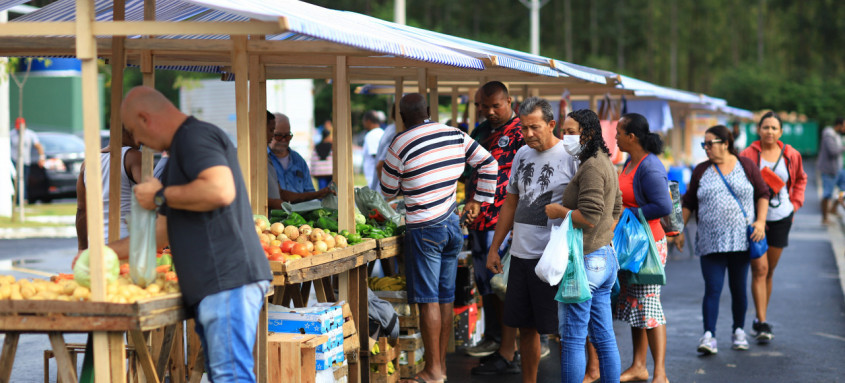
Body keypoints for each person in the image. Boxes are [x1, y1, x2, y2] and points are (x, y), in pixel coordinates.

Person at [88, 86, 272, 382]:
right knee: (225, 375)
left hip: (226, 281)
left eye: (134, 131)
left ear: (146, 118)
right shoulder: (180, 151)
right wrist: (104, 253)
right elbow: (161, 232)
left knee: (231, 376)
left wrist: (160, 195)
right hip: (217, 285)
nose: (136, 141)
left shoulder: (193, 138)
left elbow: (220, 190)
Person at [380, 93, 497, 383]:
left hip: (424, 229)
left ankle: (432, 371)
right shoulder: (455, 134)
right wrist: (477, 201)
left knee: (428, 300)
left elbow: (387, 191)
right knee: (444, 298)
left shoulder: (399, 142)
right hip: (452, 226)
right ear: (429, 111)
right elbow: (489, 164)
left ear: (401, 116)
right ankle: (440, 368)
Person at [483, 97, 578, 383]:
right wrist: (495, 248)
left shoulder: (572, 156)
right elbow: (510, 203)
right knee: (526, 327)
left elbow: (590, 207)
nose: (528, 134)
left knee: (564, 329)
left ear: (551, 124)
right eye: (524, 128)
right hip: (522, 256)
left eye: (534, 127)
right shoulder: (522, 154)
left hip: (554, 260)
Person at [677, 125, 769, 355]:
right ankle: (709, 335)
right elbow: (688, 202)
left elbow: (763, 194)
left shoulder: (746, 165)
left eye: (710, 143)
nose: (706, 148)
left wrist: (760, 222)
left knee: (738, 288)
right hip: (710, 241)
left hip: (741, 240)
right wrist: (678, 229)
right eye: (704, 144)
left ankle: (739, 330)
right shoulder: (701, 171)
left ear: (726, 143)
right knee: (713, 288)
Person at [545, 109, 622, 383]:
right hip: (604, 260)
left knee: (574, 338)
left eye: (569, 131)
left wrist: (558, 211)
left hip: (586, 263)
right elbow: (616, 209)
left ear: (587, 133)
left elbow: (588, 215)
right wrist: (603, 236)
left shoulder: (591, 167)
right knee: (603, 338)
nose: (564, 137)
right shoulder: (604, 162)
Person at [465, 82, 526, 374]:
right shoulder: (479, 132)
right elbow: (467, 171)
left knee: (504, 286)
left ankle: (509, 352)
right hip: (478, 220)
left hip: (504, 223)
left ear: (509, 101)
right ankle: (496, 341)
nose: (488, 111)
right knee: (486, 284)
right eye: (482, 106)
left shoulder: (522, 132)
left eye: (495, 106)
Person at [613, 113, 672, 383]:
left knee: (649, 305)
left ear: (632, 137)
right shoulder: (629, 162)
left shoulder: (650, 167)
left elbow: (663, 206)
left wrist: (630, 214)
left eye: (619, 133)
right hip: (632, 245)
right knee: (635, 304)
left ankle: (659, 372)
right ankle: (639, 365)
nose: (615, 137)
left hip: (648, 246)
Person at [739, 111, 807, 343]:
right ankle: (762, 321)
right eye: (765, 127)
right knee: (760, 269)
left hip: (781, 218)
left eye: (774, 128)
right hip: (757, 219)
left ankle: (761, 318)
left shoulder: (790, 154)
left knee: (769, 271)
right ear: (758, 130)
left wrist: (795, 204)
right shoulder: (748, 154)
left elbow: (799, 180)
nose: (769, 131)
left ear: (780, 131)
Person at [75, 128, 143, 250]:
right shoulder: (133, 157)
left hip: (96, 241)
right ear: (128, 131)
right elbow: (150, 196)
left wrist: (82, 248)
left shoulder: (88, 162)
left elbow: (82, 210)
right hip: (127, 239)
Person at [267, 113, 333, 208]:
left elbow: (308, 192)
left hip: (298, 219)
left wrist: (318, 195)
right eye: (278, 136)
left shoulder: (298, 160)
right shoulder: (263, 159)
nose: (283, 140)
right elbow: (278, 195)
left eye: (287, 136)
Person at [817, 117, 845, 224]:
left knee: (843, 189)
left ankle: (834, 208)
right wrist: (843, 147)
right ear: (839, 125)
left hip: (838, 169)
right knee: (827, 194)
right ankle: (824, 218)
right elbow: (832, 151)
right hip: (829, 170)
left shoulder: (837, 136)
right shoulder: (829, 136)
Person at [9, 119, 45, 202]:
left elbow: (38, 146)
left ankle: (23, 199)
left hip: (25, 161)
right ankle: (19, 200)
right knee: (16, 180)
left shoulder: (30, 134)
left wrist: (42, 157)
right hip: (14, 160)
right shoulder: (12, 134)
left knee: (23, 181)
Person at [363, 110, 385, 190]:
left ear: (368, 121)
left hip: (374, 178)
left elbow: (377, 157)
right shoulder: (383, 133)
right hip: (382, 178)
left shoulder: (371, 135)